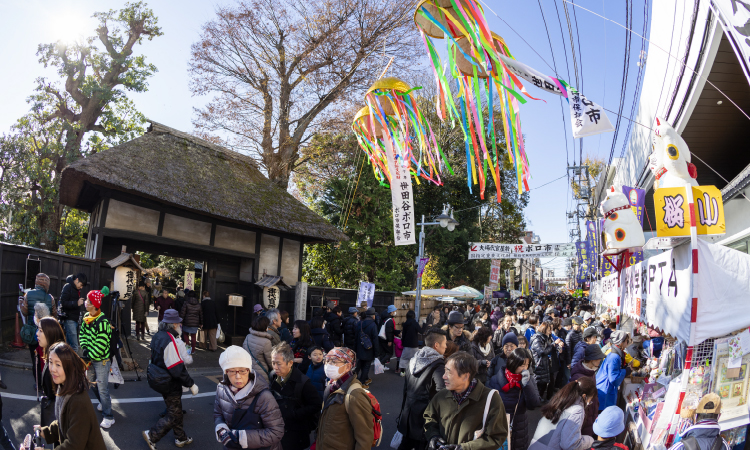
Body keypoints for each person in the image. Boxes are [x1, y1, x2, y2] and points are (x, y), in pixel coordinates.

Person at [424, 351, 508, 450]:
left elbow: (496, 437)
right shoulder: (441, 396)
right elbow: (429, 418)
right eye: (444, 371)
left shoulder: (491, 399)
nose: (444, 376)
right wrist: (433, 436)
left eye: (449, 372)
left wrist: (465, 448)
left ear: (465, 376)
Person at [143, 309, 198, 449]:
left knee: (175, 410)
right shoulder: (170, 340)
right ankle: (152, 435)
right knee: (174, 415)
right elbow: (176, 368)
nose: (180, 325)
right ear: (174, 324)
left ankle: (181, 438)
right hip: (169, 382)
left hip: (158, 377)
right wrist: (191, 384)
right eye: (178, 323)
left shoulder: (158, 336)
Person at [35, 342, 106, 450]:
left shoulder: (78, 401)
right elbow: (62, 421)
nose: (53, 369)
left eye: (58, 364)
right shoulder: (64, 387)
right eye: (50, 362)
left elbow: (74, 445)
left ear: (69, 367)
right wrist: (46, 432)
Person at [213, 346, 284, 450]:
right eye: (232, 371)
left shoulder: (263, 396)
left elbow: (276, 431)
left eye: (242, 371)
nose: (238, 376)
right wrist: (221, 430)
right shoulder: (221, 389)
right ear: (225, 372)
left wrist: (242, 437)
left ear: (249, 370)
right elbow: (218, 414)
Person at [315, 347, 376, 450]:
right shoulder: (331, 386)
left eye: (334, 362)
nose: (328, 365)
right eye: (327, 361)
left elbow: (364, 438)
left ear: (348, 367)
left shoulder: (354, 395)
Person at [396, 330, 447, 450]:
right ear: (436, 345)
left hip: (408, 411)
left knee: (406, 444)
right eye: (445, 343)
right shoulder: (438, 364)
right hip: (425, 416)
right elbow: (442, 391)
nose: (446, 346)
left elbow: (406, 387)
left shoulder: (414, 358)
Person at [488, 348, 541, 450]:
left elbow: (534, 404)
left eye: (527, 365)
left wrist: (527, 385)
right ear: (513, 363)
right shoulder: (496, 379)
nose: (525, 368)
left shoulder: (529, 379)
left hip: (519, 427)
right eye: (522, 365)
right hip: (499, 427)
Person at [270, 342, 321, 450]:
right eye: (273, 363)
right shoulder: (273, 377)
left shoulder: (303, 382)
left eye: (278, 363)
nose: (275, 367)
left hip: (296, 433)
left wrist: (294, 414)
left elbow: (316, 405)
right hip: (278, 430)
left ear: (290, 363)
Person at [528, 378, 597, 450]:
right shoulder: (577, 410)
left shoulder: (560, 400)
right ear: (584, 396)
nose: (589, 403)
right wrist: (590, 440)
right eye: (590, 400)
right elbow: (569, 444)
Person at [79, 289, 114, 429]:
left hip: (102, 361)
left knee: (103, 388)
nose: (85, 302)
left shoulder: (103, 322)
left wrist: (88, 354)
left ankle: (109, 416)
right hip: (91, 358)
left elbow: (101, 344)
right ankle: (103, 401)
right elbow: (82, 334)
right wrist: (85, 347)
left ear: (94, 305)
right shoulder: (87, 317)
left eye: (88, 301)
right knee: (93, 384)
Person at [22, 274, 55, 387]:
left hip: (32, 333)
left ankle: (38, 384)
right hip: (46, 333)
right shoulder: (50, 298)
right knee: (45, 359)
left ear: (36, 283)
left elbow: (25, 312)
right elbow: (54, 314)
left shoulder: (28, 295)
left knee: (34, 358)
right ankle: (46, 383)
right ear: (46, 284)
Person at [570, 345, 606, 438]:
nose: (600, 360)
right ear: (591, 359)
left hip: (591, 416)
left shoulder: (591, 371)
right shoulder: (578, 377)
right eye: (598, 358)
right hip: (583, 420)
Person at [36, 317, 67, 426]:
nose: (37, 334)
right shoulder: (51, 355)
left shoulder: (58, 359)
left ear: (50, 333)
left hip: (60, 419)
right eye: (37, 330)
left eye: (40, 330)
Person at [596, 330, 631, 411]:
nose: (627, 343)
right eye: (626, 341)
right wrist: (626, 371)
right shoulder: (614, 357)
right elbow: (613, 379)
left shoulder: (614, 353)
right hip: (605, 392)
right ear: (621, 342)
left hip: (604, 389)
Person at [242, 316, 275, 385]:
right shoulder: (266, 342)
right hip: (261, 375)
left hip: (249, 372)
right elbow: (271, 362)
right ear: (265, 327)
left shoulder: (248, 337)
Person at [58, 273, 87, 351]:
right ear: (77, 280)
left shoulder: (75, 289)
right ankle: (72, 363)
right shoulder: (68, 287)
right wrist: (76, 303)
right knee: (74, 347)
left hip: (74, 319)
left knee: (68, 346)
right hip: (69, 318)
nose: (81, 287)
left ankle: (66, 362)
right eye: (81, 285)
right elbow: (63, 302)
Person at [531, 322, 556, 401]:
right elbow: (542, 352)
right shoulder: (537, 338)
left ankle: (539, 398)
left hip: (544, 363)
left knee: (544, 382)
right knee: (539, 382)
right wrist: (552, 345)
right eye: (549, 330)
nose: (550, 332)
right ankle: (535, 400)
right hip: (538, 363)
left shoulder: (545, 337)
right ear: (544, 330)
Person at [354, 308, 380, 385]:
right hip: (369, 348)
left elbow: (356, 337)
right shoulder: (373, 325)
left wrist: (355, 348)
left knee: (360, 363)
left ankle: (354, 379)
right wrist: (377, 352)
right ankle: (362, 381)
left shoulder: (360, 323)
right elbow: (375, 339)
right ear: (373, 316)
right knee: (366, 366)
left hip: (359, 347)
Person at [399, 310, 420, 377]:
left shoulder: (405, 324)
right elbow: (421, 331)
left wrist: (402, 343)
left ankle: (402, 372)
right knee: (415, 359)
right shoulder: (415, 323)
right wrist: (425, 324)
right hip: (414, 345)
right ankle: (414, 372)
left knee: (404, 358)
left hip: (407, 344)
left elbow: (403, 335)